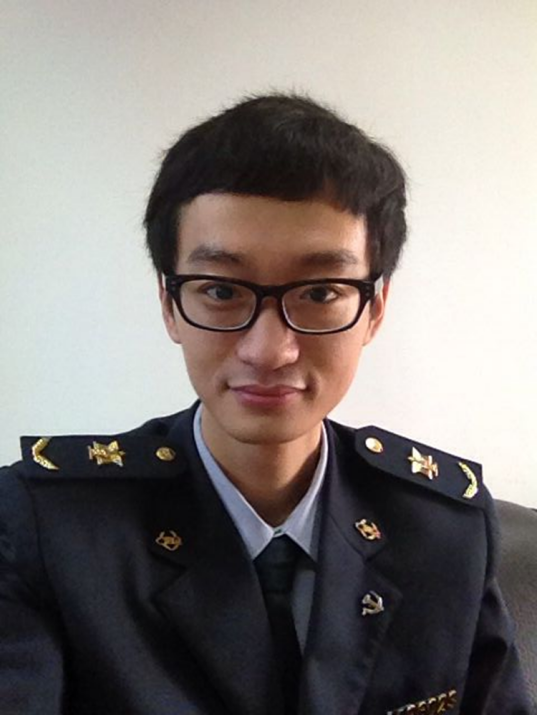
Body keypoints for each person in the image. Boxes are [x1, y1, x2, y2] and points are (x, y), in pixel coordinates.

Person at [0, 93, 531, 715]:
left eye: (321, 293)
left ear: (375, 310)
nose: (269, 350)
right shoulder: (48, 528)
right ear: (170, 306)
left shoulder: (445, 528)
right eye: (221, 291)